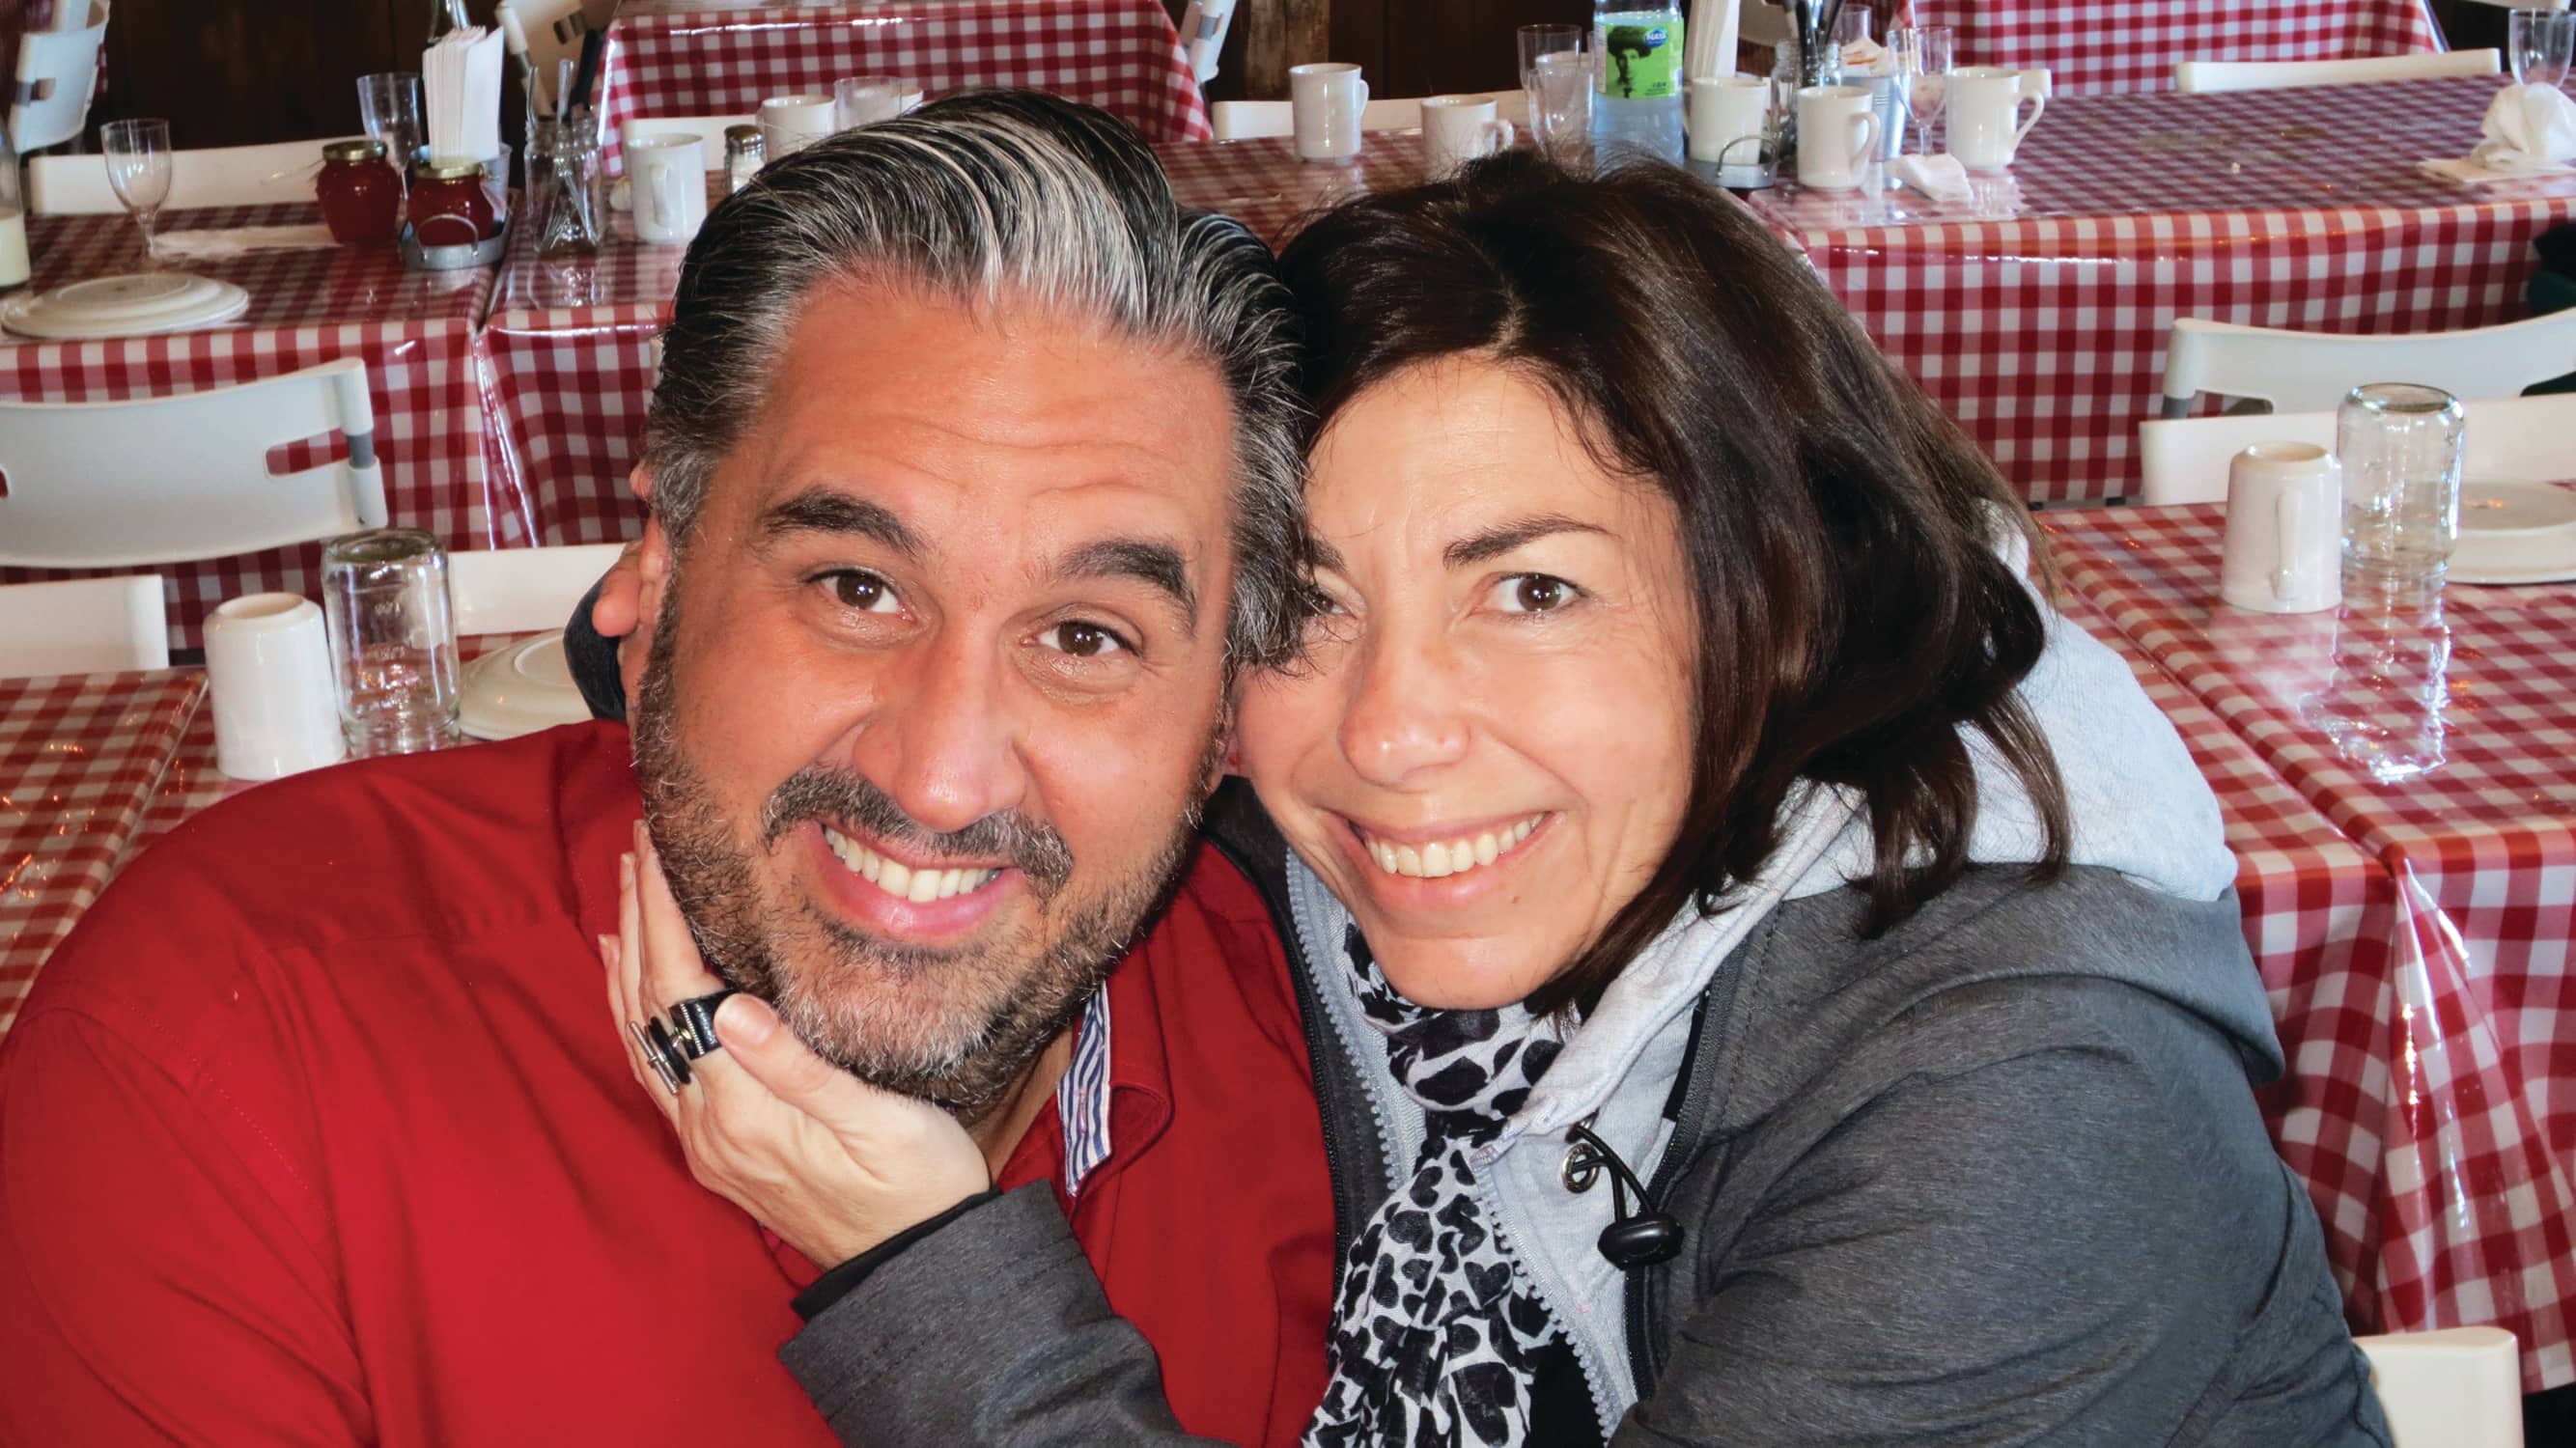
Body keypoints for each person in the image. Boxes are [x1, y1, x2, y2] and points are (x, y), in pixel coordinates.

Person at [599, 153, 2393, 1445]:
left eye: (1532, 593)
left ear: (1775, 600)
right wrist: (685, 620)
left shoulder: (2026, 1095)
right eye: (1311, 612)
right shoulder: (1385, 836)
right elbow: (995, 677)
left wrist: (928, 1276)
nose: (1393, 734)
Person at [0, 94, 1343, 1446]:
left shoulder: (1351, 1071)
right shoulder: (217, 1064)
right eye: (856, 587)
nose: (940, 780)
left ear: (1222, 719)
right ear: (656, 578)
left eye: (1086, 637)